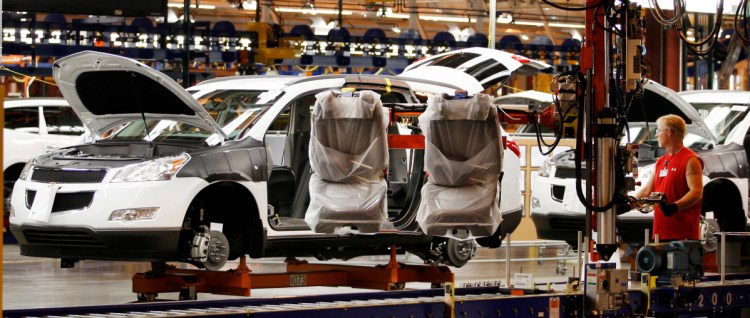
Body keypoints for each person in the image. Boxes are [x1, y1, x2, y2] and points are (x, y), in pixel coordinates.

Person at [635, 114, 703, 241]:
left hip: (683, 237)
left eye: (658, 131)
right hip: (660, 234)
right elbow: (647, 191)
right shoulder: (661, 161)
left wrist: (674, 207)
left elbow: (696, 192)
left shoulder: (690, 160)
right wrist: (628, 203)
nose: (656, 135)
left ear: (669, 132)